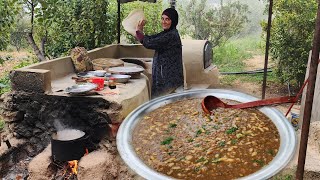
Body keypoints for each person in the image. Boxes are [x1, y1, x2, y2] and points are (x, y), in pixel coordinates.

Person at [135, 8, 183, 99]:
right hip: (163, 78)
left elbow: (149, 43)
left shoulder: (171, 35)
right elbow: (150, 38)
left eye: (167, 19)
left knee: (164, 106)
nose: (164, 22)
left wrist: (138, 32)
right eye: (162, 18)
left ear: (173, 21)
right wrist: (140, 32)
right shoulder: (166, 33)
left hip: (169, 81)